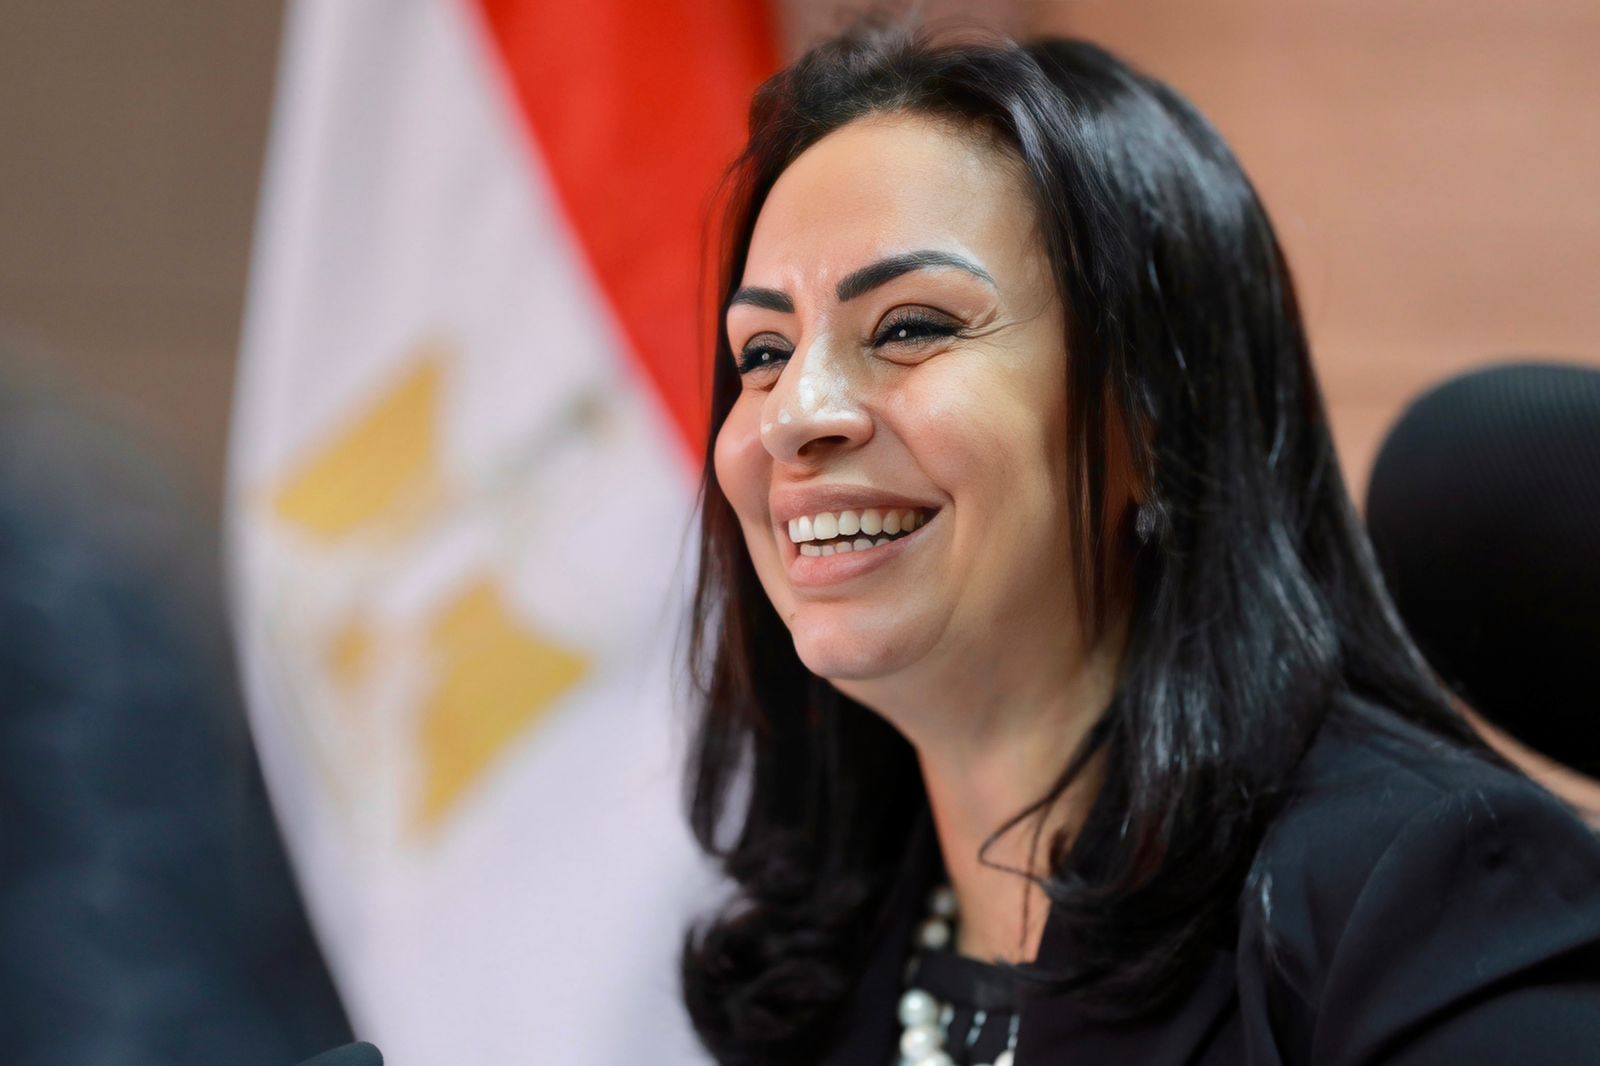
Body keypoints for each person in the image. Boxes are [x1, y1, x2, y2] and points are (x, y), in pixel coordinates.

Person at [678, 23, 1600, 1066]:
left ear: (1156, 415)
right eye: (763, 350)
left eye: (909, 327)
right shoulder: (809, 966)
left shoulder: (1425, 904)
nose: (794, 414)